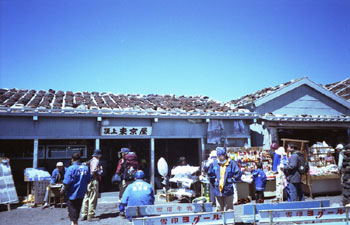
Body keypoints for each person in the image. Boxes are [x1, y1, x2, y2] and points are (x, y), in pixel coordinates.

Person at [207, 147, 242, 211]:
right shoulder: (214, 164)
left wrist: (232, 180)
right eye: (218, 156)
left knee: (229, 208)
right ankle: (220, 220)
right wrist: (214, 182)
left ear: (225, 155)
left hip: (228, 189)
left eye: (221, 156)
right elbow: (210, 174)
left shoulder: (231, 163)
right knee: (219, 208)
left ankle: (229, 220)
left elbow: (238, 173)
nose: (220, 157)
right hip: (218, 190)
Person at [61, 153, 91, 225]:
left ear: (72, 159)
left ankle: (75, 223)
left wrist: (63, 190)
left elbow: (67, 182)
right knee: (77, 209)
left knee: (72, 210)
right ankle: (75, 222)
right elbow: (88, 180)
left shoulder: (70, 168)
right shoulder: (85, 168)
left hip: (72, 193)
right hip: (81, 192)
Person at [81, 149, 103, 221]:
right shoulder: (96, 161)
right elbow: (93, 170)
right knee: (93, 197)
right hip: (93, 180)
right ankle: (91, 215)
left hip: (87, 181)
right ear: (99, 155)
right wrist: (99, 169)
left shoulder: (90, 160)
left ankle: (84, 214)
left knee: (86, 197)